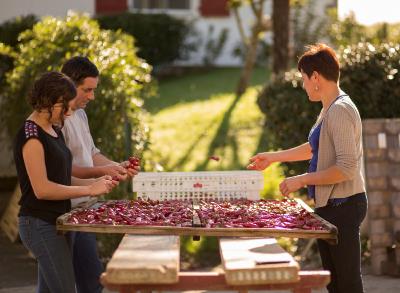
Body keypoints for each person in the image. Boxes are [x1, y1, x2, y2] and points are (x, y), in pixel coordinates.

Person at [248, 43, 367, 293]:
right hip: (331, 206)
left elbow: (346, 167)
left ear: (315, 77)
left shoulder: (340, 111)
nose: (303, 85)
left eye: (303, 78)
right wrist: (273, 157)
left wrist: (302, 180)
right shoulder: (328, 109)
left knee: (348, 285)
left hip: (344, 206)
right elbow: (315, 148)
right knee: (334, 285)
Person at [14, 71, 116, 293]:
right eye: (66, 107)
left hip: (58, 221)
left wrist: (97, 182)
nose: (70, 113)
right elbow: (42, 189)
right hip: (39, 224)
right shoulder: (31, 136)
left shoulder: (52, 129)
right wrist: (89, 188)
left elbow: (61, 176)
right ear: (50, 101)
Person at [60, 56, 139, 293]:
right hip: (64, 210)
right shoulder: (56, 121)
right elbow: (61, 170)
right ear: (68, 85)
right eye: (87, 90)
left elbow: (91, 154)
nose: (92, 96)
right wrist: (103, 172)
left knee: (91, 280)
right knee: (58, 283)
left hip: (86, 207)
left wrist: (117, 166)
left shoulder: (81, 115)